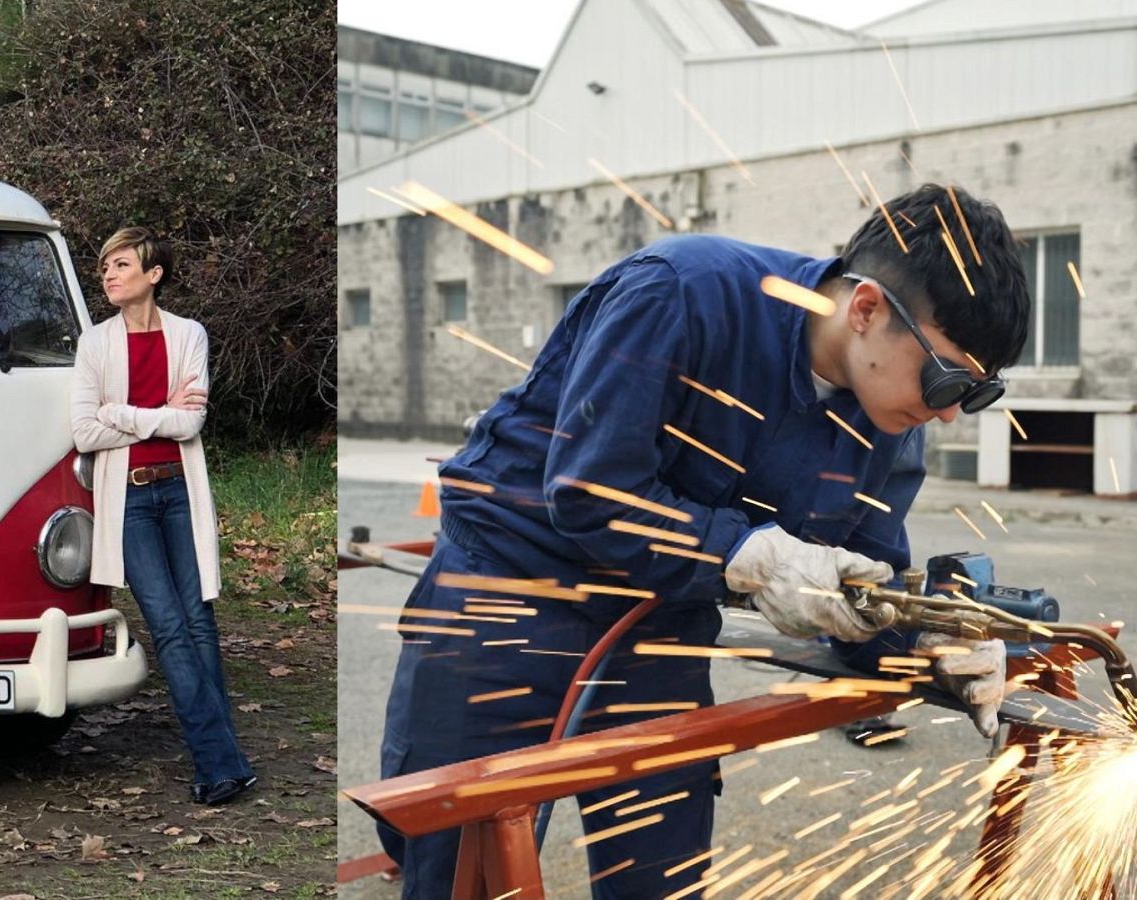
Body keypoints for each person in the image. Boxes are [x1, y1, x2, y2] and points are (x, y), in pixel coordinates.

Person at [378, 183, 1030, 898]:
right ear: (867, 308)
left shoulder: (889, 431)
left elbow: (862, 598)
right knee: (453, 860)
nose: (947, 416)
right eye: (944, 382)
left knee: (660, 871)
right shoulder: (682, 294)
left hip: (662, 621)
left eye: (972, 395)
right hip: (510, 593)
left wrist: (933, 643)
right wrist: (745, 555)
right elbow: (592, 492)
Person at [69, 227, 256, 805]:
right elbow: (82, 430)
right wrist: (153, 412)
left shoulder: (188, 335)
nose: (108, 274)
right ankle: (218, 761)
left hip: (179, 493)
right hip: (128, 499)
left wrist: (120, 414)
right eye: (105, 266)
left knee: (199, 621)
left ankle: (222, 761)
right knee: (170, 627)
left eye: (121, 264)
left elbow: (190, 425)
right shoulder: (94, 343)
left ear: (153, 274)